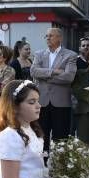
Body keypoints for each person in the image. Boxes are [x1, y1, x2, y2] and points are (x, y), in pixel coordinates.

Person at [30, 27, 77, 155]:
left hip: (61, 103)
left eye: (51, 35)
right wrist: (54, 72)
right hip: (42, 102)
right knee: (40, 136)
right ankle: (42, 164)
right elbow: (33, 71)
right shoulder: (39, 54)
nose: (48, 38)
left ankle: (58, 167)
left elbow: (69, 77)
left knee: (61, 138)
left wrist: (45, 77)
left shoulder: (70, 55)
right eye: (46, 36)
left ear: (60, 38)